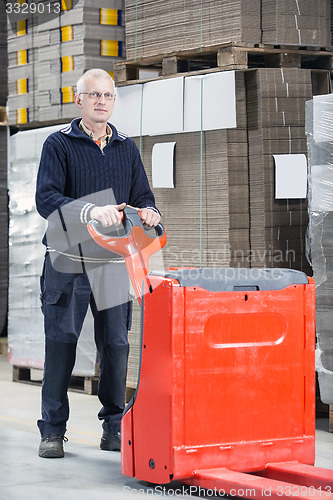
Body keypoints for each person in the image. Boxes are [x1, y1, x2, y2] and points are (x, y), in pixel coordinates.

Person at [35, 68, 160, 458]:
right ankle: (53, 432)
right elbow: (46, 199)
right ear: (79, 100)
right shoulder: (59, 144)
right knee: (61, 345)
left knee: (116, 344)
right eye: (94, 95)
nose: (101, 101)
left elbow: (143, 195)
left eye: (107, 96)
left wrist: (152, 212)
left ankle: (114, 428)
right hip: (68, 260)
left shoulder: (127, 147)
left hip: (111, 263)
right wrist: (90, 210)